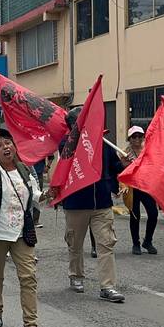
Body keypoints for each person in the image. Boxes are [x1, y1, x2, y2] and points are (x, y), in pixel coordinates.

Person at [0, 130, 47, 327]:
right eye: (0, 145)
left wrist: (47, 196)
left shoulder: (24, 170)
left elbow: (35, 195)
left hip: (21, 233)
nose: (6, 147)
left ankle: (30, 326)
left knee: (28, 277)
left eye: (9, 143)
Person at [56, 108, 125, 303]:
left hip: (102, 202)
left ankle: (107, 286)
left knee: (106, 244)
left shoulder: (103, 143)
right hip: (76, 202)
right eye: (83, 121)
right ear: (73, 126)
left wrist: (126, 164)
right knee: (75, 244)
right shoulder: (66, 144)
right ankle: (76, 276)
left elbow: (115, 167)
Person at [122, 126, 159, 255]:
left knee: (153, 214)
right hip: (132, 188)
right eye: (134, 136)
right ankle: (135, 244)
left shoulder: (147, 151)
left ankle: (148, 241)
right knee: (135, 216)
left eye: (139, 136)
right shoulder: (124, 153)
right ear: (129, 139)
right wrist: (125, 164)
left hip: (145, 187)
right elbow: (120, 171)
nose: (137, 139)